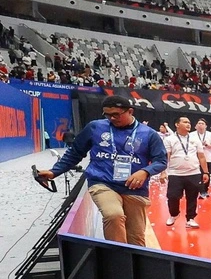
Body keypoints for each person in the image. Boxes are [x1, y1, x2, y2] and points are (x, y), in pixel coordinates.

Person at [39, 96, 167, 245]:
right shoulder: (95, 128)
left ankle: (132, 265)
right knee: (113, 215)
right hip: (102, 182)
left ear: (130, 111)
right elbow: (75, 152)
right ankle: (116, 259)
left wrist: (145, 171)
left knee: (136, 239)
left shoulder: (149, 134)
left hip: (134, 189)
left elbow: (161, 161)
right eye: (107, 114)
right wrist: (54, 172)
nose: (112, 118)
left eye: (116, 114)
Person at [162, 115, 209, 228]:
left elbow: (201, 157)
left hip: (194, 173)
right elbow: (165, 157)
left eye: (189, 122)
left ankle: (190, 218)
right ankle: (174, 214)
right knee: (172, 196)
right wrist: (163, 171)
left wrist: (206, 172)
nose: (188, 124)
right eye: (185, 122)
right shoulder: (169, 139)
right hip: (175, 173)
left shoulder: (195, 139)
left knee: (192, 197)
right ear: (177, 125)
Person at [197, 119, 211, 197]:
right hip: (196, 159)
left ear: (206, 126)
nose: (200, 125)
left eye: (202, 123)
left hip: (208, 158)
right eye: (199, 123)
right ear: (196, 126)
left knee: (206, 175)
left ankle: (205, 190)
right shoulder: (192, 135)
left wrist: (207, 145)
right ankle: (198, 191)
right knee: (197, 175)